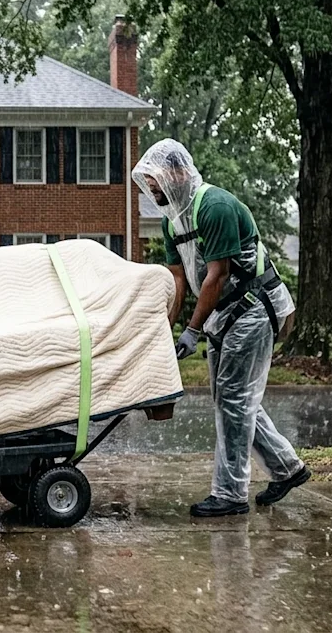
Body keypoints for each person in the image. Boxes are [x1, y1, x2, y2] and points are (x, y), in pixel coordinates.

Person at [132, 139, 311, 517]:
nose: (151, 190)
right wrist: (167, 329)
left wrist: (192, 331)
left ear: (176, 173)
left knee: (234, 398)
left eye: (155, 182)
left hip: (253, 308)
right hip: (223, 314)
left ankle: (230, 494)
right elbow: (178, 278)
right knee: (234, 398)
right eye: (148, 183)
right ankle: (287, 468)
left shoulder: (214, 206)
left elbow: (217, 275)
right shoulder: (172, 220)